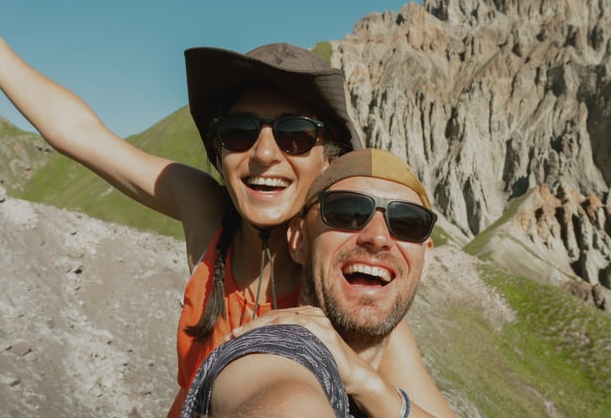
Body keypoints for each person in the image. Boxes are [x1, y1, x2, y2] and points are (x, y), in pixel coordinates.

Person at [0, 0, 455, 418]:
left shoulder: (349, 277)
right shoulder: (206, 211)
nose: (264, 154)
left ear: (327, 159)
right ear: (218, 151)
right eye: (239, 132)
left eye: (294, 135)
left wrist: (372, 389)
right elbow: (84, 136)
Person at [180, 148, 441, 417]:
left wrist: (369, 386)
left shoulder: (389, 376)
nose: (378, 237)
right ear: (298, 240)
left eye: (407, 222)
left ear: (427, 259)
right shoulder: (279, 348)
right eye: (346, 212)